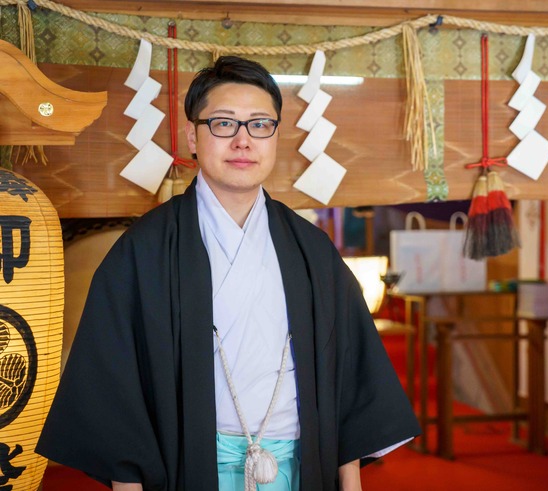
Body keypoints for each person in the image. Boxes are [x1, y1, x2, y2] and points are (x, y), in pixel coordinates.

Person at [37, 56, 420, 491]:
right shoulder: (144, 249)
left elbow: (348, 382)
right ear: (192, 136)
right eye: (223, 124)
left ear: (276, 135)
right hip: (188, 466)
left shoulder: (311, 249)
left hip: (298, 467)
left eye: (260, 124)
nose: (243, 141)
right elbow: (115, 391)